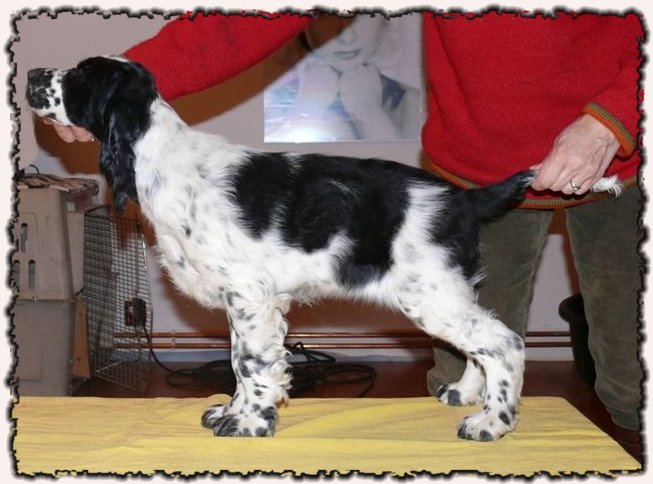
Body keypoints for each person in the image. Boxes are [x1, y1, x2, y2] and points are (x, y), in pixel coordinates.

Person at [41, 10, 644, 436]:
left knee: (629, 380)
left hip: (615, 143)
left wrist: (612, 120)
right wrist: (121, 80)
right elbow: (246, 19)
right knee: (452, 368)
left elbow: (249, 297)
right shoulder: (178, 170)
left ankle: (257, 406)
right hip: (472, 159)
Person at [264, 15, 423, 141]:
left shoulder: (412, 102)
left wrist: (370, 113)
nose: (347, 37)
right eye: (325, 14)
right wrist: (306, 109)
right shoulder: (270, 103)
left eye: (363, 13)